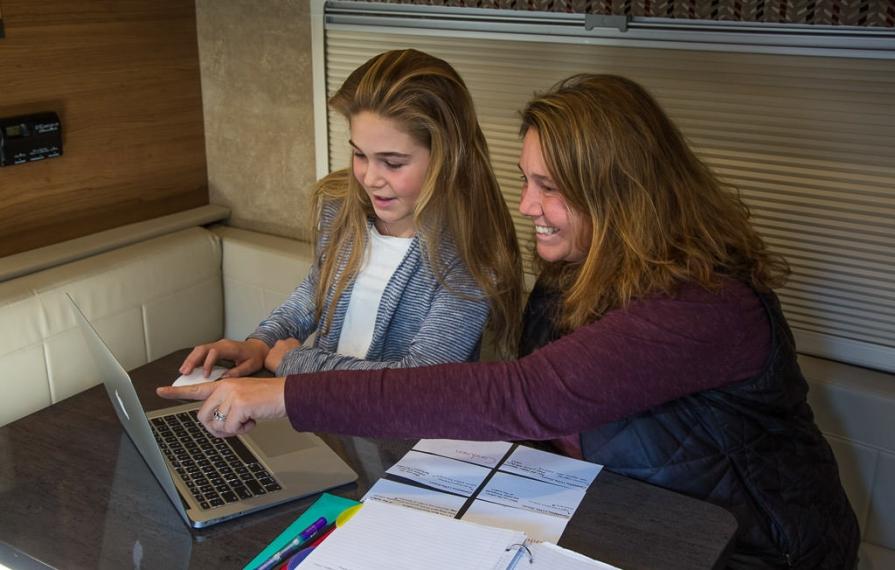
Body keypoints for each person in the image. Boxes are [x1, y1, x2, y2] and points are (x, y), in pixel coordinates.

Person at [160, 74, 859, 568]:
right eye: (526, 180)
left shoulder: (707, 306)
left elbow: (523, 396)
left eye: (549, 188)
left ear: (622, 197)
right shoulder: (575, 272)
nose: (526, 207)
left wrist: (286, 389)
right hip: (609, 515)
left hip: (752, 549)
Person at [179, 49, 523, 378]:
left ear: (447, 157)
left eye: (392, 162)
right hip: (325, 419)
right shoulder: (342, 206)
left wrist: (296, 362)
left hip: (401, 437)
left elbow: (418, 380)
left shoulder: (472, 254)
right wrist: (259, 342)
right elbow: (317, 288)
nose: (370, 179)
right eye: (360, 155)